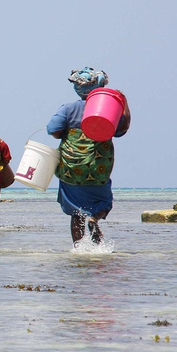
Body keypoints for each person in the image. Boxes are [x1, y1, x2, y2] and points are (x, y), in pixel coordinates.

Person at [47, 67, 131, 245]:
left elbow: (53, 130)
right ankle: (94, 219)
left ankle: (79, 249)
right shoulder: (111, 110)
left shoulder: (68, 109)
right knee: (103, 202)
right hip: (98, 168)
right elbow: (121, 130)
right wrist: (123, 103)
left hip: (71, 169)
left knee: (76, 212)